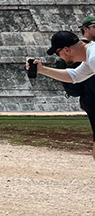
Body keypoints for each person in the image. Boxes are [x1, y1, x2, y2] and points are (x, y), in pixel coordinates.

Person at [26, 28, 95, 164]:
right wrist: (42, 70)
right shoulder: (90, 55)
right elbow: (75, 76)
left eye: (58, 54)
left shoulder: (93, 57)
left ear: (66, 50)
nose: (60, 58)